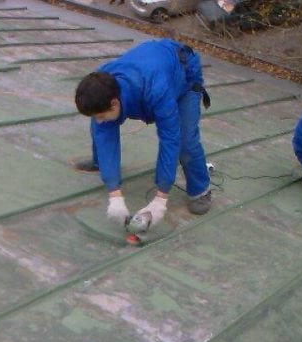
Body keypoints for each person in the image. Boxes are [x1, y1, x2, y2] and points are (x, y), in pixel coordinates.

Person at [74, 38, 212, 229]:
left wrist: (160, 199)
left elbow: (169, 140)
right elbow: (104, 135)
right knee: (102, 126)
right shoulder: (102, 84)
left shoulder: (157, 89)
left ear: (115, 103)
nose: (97, 119)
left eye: (100, 114)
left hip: (183, 77)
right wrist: (114, 194)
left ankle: (200, 190)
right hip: (148, 69)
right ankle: (101, 164)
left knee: (184, 140)